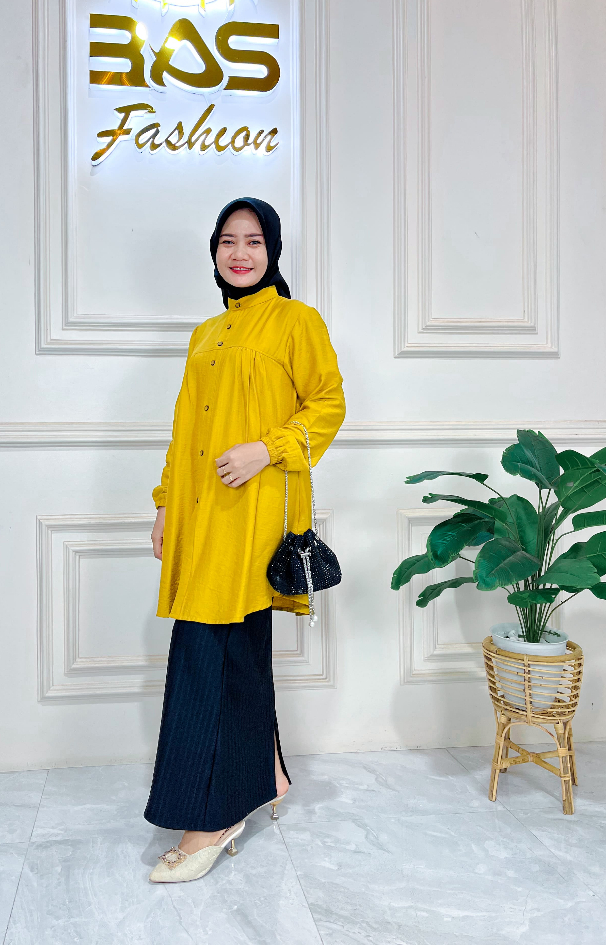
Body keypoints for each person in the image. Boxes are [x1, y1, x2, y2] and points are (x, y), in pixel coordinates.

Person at [143, 197, 346, 884]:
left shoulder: (297, 321)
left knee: (212, 652)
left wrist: (269, 448)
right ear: (214, 251)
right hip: (200, 513)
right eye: (228, 241)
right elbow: (185, 428)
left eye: (253, 241)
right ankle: (268, 775)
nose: (239, 253)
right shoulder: (206, 334)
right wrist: (166, 504)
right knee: (230, 649)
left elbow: (328, 403)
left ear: (273, 251)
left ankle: (214, 816)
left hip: (255, 511)